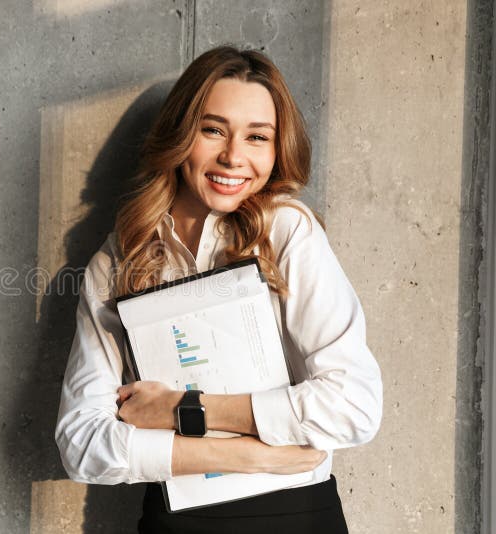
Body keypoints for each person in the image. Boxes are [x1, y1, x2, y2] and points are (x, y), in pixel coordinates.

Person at [55, 45, 383, 533]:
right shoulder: (119, 259)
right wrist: (251, 456)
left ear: (277, 150)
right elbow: (81, 445)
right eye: (213, 130)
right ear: (180, 136)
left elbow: (354, 407)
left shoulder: (287, 232)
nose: (234, 156)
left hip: (294, 519)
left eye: (257, 137)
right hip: (172, 519)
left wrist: (180, 410)